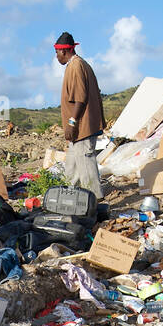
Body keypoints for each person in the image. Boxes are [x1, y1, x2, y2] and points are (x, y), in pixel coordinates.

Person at [54, 32, 106, 200]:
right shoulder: (77, 65)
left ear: (64, 51)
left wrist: (71, 122)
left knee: (86, 163)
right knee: (73, 166)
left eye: (57, 53)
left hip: (82, 126)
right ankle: (68, 198)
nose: (56, 57)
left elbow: (80, 98)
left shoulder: (76, 66)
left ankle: (95, 199)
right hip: (80, 127)